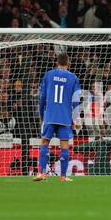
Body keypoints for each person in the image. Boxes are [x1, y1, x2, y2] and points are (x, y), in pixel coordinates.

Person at [34, 53, 81, 182]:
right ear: (69, 63)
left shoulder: (48, 75)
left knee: (44, 142)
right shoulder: (73, 78)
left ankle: (42, 173)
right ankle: (63, 176)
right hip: (65, 117)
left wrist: (42, 115)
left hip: (50, 115)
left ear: (56, 62)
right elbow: (76, 101)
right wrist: (75, 119)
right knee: (64, 145)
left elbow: (42, 97)